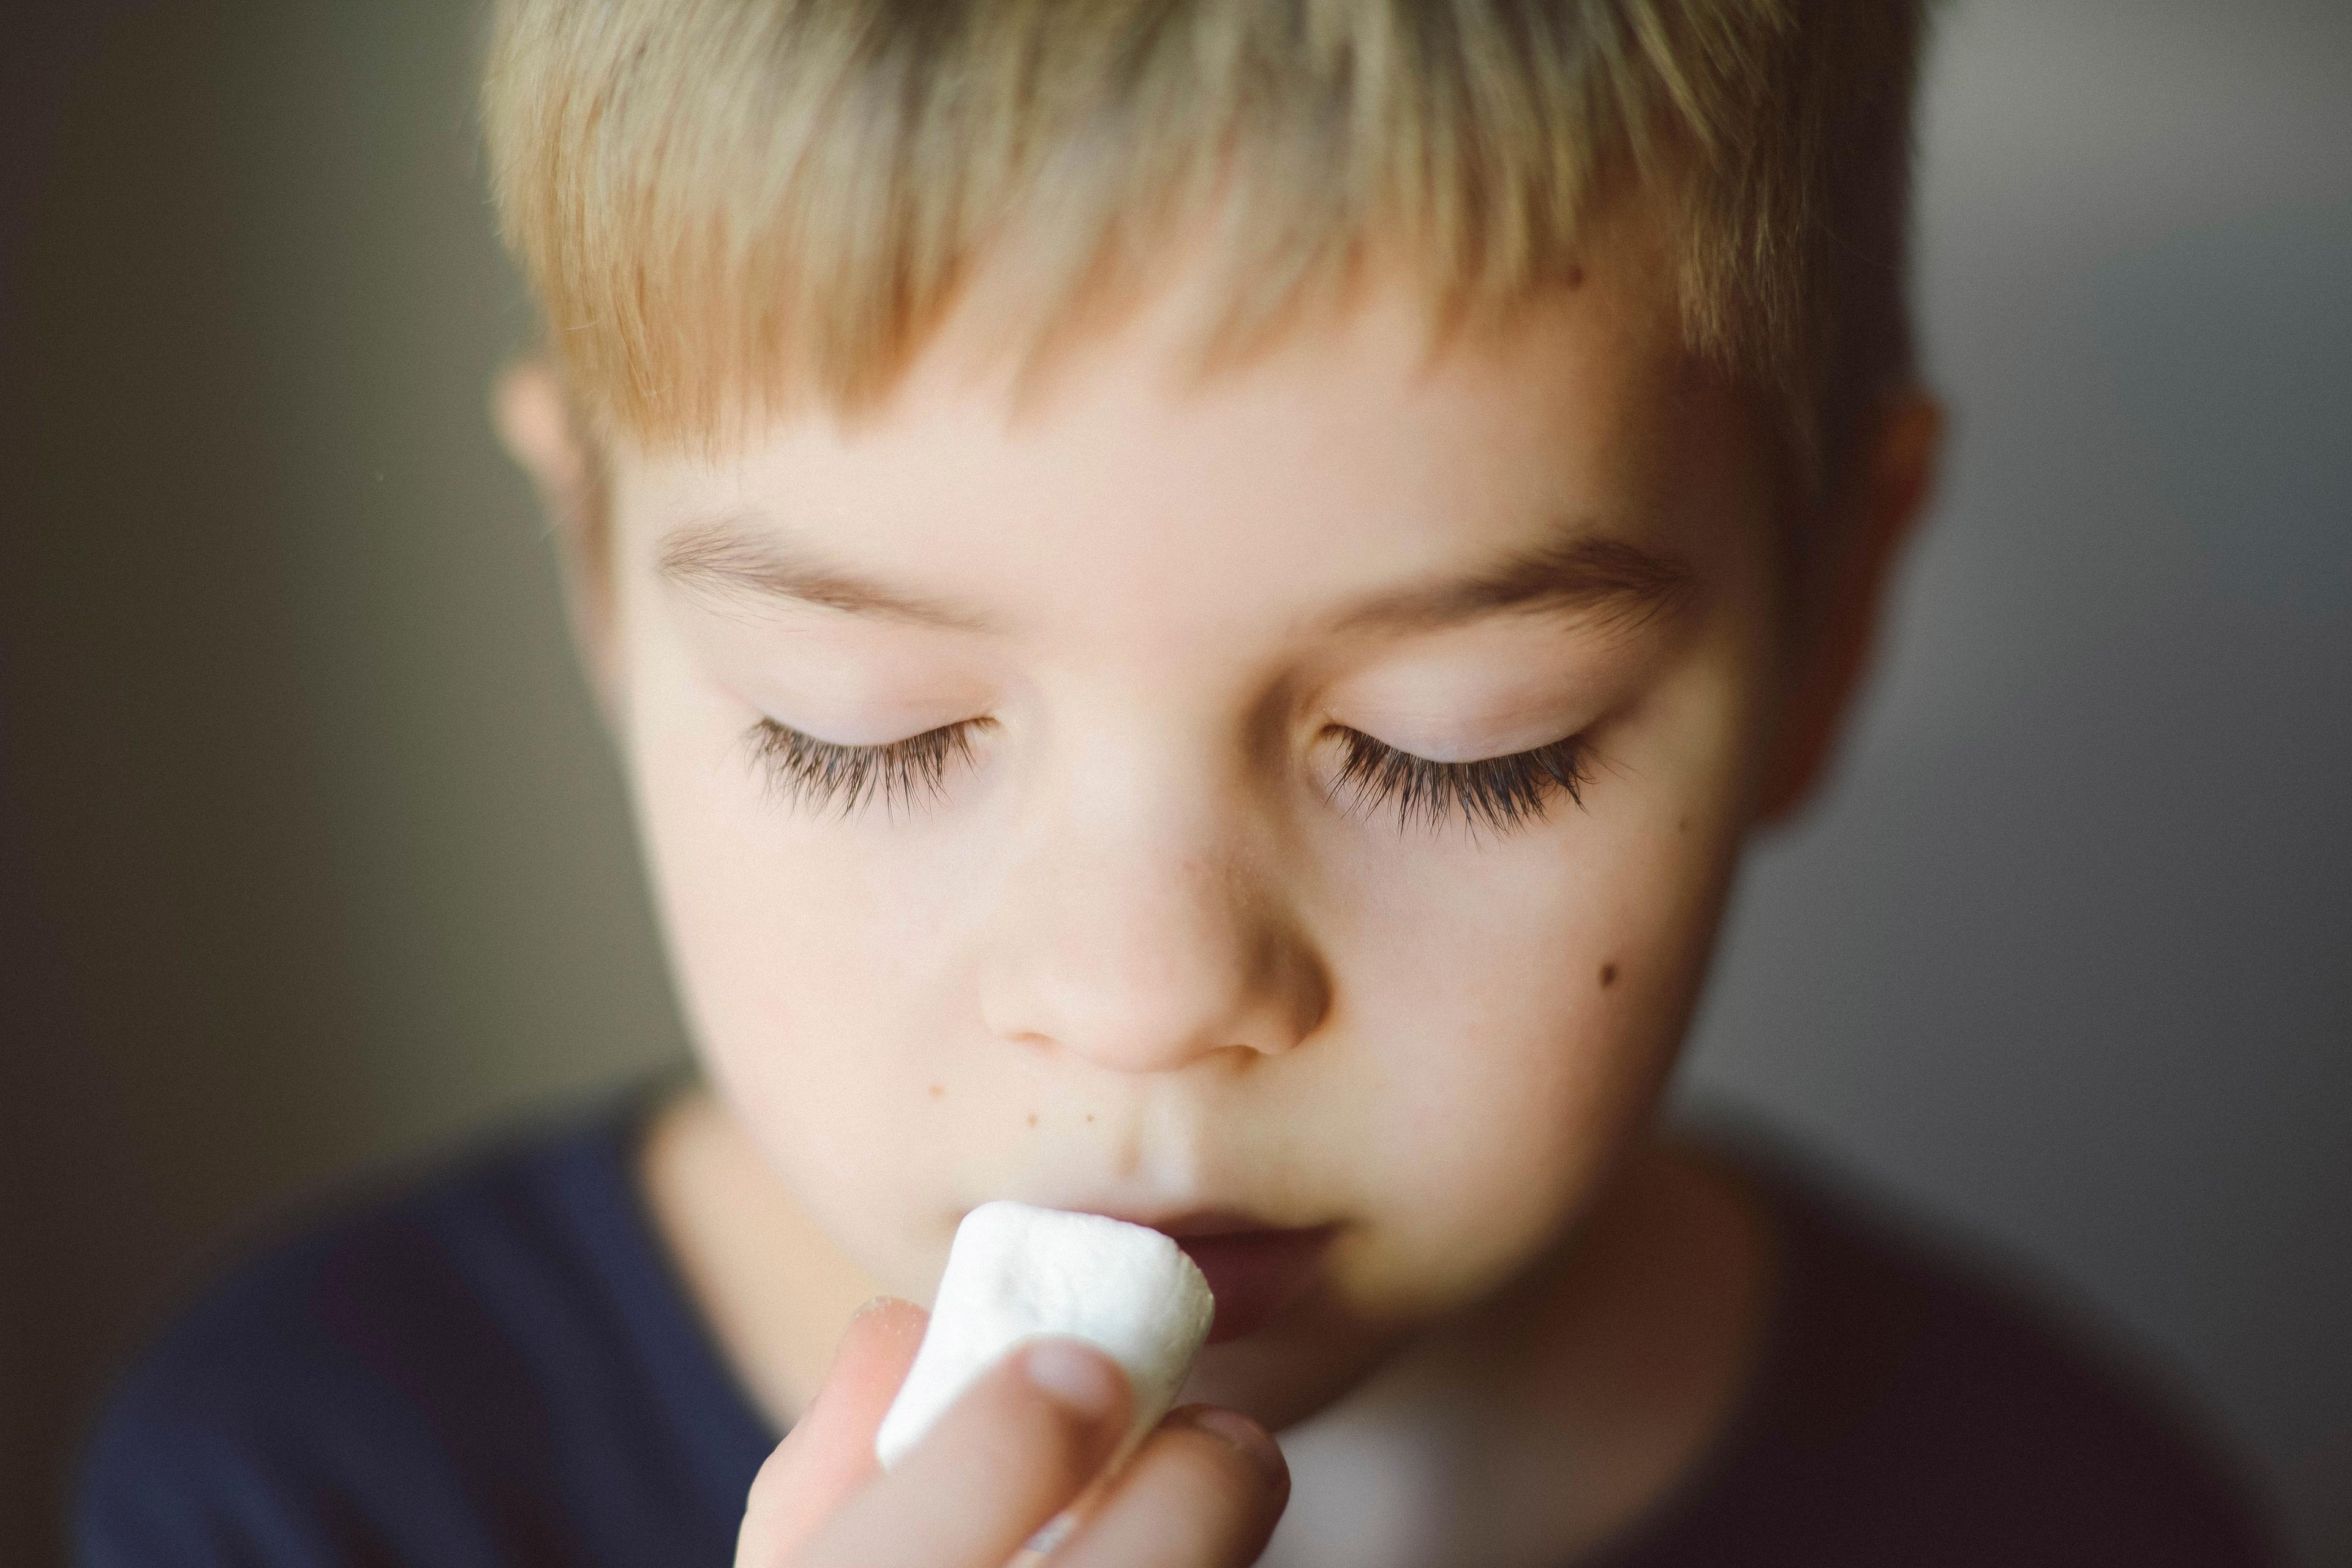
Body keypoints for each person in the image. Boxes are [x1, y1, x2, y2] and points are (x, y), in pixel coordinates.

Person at [75, 2, 2282, 1564]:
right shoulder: (314, 1486)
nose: (1142, 999)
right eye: (875, 727)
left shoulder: (2072, 1511)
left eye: (1465, 751)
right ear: (606, 599)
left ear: (1833, 617)